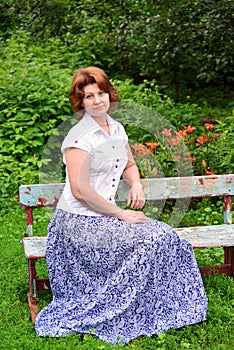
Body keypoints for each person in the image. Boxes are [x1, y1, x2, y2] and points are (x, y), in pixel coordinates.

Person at [35, 66, 208, 345]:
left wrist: (136, 184)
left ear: (109, 95)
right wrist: (120, 213)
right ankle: (121, 307)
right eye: (89, 97)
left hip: (105, 216)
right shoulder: (80, 138)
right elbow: (80, 191)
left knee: (164, 235)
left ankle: (158, 306)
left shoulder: (116, 128)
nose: (97, 100)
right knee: (150, 239)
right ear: (80, 103)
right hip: (78, 223)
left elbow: (129, 163)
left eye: (101, 93)